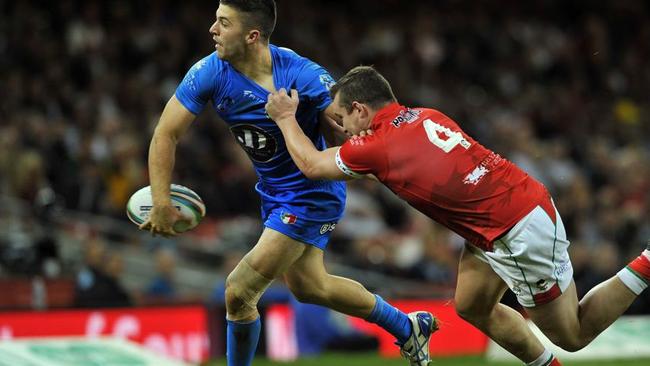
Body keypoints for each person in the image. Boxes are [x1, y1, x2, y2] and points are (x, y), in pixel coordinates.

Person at [264, 65, 650, 366]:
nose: (342, 129)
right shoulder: (423, 114)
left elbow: (312, 166)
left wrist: (284, 118)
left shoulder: (376, 146)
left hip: (512, 230)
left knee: (573, 333)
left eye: (341, 118)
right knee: (471, 305)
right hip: (505, 211)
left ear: (361, 110)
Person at [138, 2, 437, 365]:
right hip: (273, 193)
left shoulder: (303, 75)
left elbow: (354, 132)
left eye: (223, 22)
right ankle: (408, 327)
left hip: (311, 194)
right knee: (312, 287)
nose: (212, 30)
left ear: (252, 36)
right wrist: (159, 200)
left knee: (238, 291)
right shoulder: (209, 72)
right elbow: (165, 134)